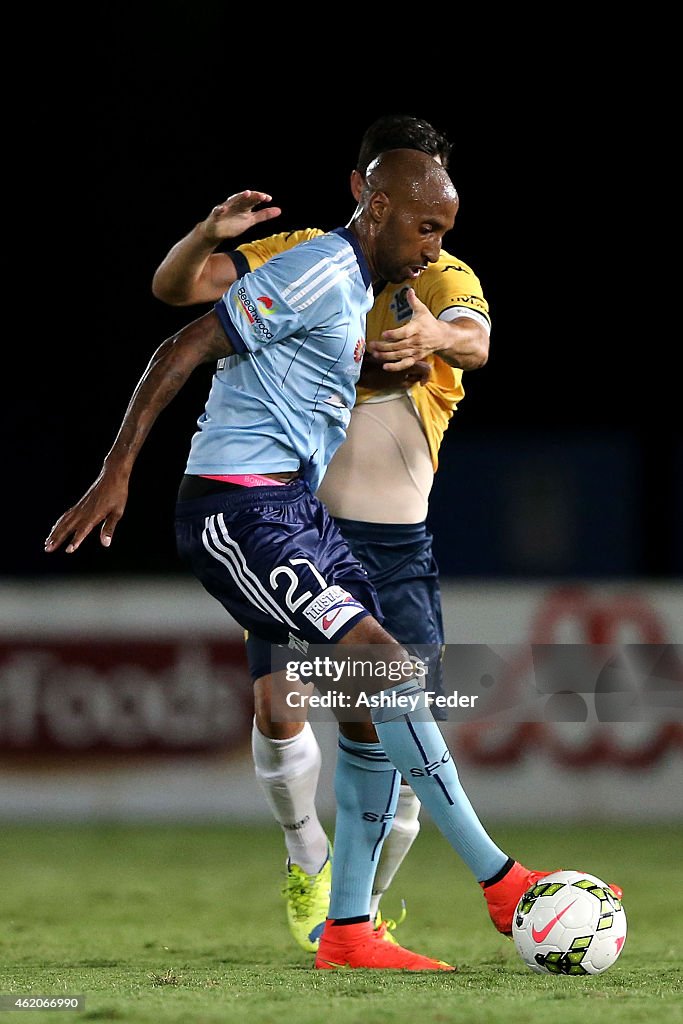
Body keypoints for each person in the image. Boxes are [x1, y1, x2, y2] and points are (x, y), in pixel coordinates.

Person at [46, 148, 558, 972]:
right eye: (427, 227)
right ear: (376, 202)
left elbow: (472, 336)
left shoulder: (370, 283)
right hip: (238, 510)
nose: (435, 249)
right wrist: (116, 472)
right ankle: (499, 878)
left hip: (298, 513)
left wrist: (429, 336)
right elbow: (180, 341)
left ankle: (350, 931)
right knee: (365, 676)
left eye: (444, 231)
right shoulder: (319, 267)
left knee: (366, 715)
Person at [150, 115, 495, 954]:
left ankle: (356, 910)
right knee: (278, 708)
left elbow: (475, 340)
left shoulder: (439, 269)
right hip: (299, 521)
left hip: (395, 544)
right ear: (363, 191)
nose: (426, 233)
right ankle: (307, 855)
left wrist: (434, 337)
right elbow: (182, 294)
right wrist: (203, 233)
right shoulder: (305, 254)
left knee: (398, 742)